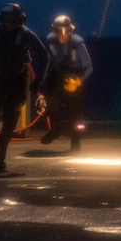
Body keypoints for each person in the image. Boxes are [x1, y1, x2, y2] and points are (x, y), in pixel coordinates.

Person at [0, 3, 49, 172]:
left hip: (18, 78)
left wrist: (38, 80)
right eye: (7, 20)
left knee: (10, 117)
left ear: (20, 21)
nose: (10, 24)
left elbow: (44, 56)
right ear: (2, 20)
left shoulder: (26, 35)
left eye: (14, 20)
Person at [39, 14, 92, 151]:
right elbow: (53, 61)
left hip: (77, 75)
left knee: (74, 110)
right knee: (50, 100)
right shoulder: (50, 40)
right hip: (60, 73)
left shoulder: (78, 43)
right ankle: (56, 129)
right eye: (58, 31)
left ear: (70, 30)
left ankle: (75, 140)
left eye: (65, 31)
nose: (62, 35)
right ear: (54, 31)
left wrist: (78, 80)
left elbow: (89, 67)